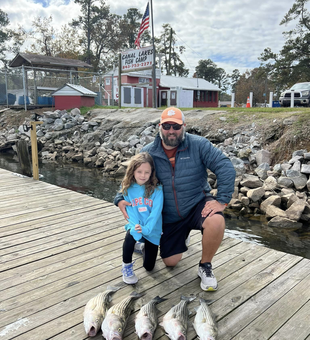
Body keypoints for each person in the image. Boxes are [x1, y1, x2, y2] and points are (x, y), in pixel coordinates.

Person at [115, 107, 236, 291]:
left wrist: (222, 200)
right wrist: (119, 198)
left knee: (216, 220)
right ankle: (150, 243)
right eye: (167, 126)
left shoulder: (199, 145)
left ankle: (205, 266)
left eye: (176, 126)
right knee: (170, 262)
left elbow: (225, 166)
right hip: (169, 215)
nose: (171, 130)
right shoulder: (149, 152)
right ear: (160, 127)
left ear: (184, 127)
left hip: (197, 204)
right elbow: (133, 176)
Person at [118, 152, 163, 284]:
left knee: (149, 267)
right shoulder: (127, 188)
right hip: (136, 225)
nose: (143, 176)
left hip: (151, 228)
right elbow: (129, 210)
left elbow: (156, 212)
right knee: (130, 235)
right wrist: (135, 226)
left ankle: (142, 247)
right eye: (139, 171)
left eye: (147, 172)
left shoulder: (158, 189)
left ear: (151, 173)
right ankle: (126, 266)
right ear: (133, 171)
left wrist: (146, 229)